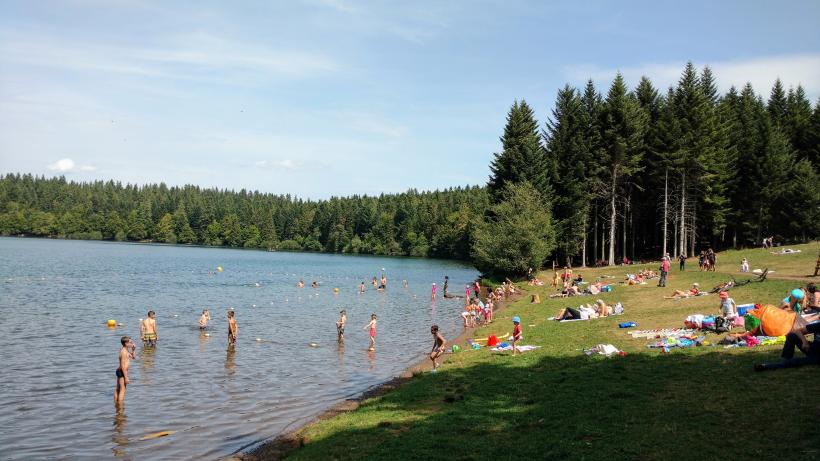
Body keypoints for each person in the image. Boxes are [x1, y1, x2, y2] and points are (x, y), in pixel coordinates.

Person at [755, 320, 820, 371]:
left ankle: (765, 366)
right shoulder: (818, 325)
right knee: (792, 335)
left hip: (817, 357)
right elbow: (798, 331)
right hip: (811, 349)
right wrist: (804, 341)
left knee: (796, 361)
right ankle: (786, 358)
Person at [115, 336, 135, 404]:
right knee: (123, 389)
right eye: (130, 342)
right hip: (122, 371)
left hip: (120, 371)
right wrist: (126, 377)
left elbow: (133, 357)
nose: (132, 343)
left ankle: (116, 404)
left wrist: (133, 350)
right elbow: (123, 366)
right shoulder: (123, 352)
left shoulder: (126, 350)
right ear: (126, 343)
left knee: (118, 389)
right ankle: (120, 406)